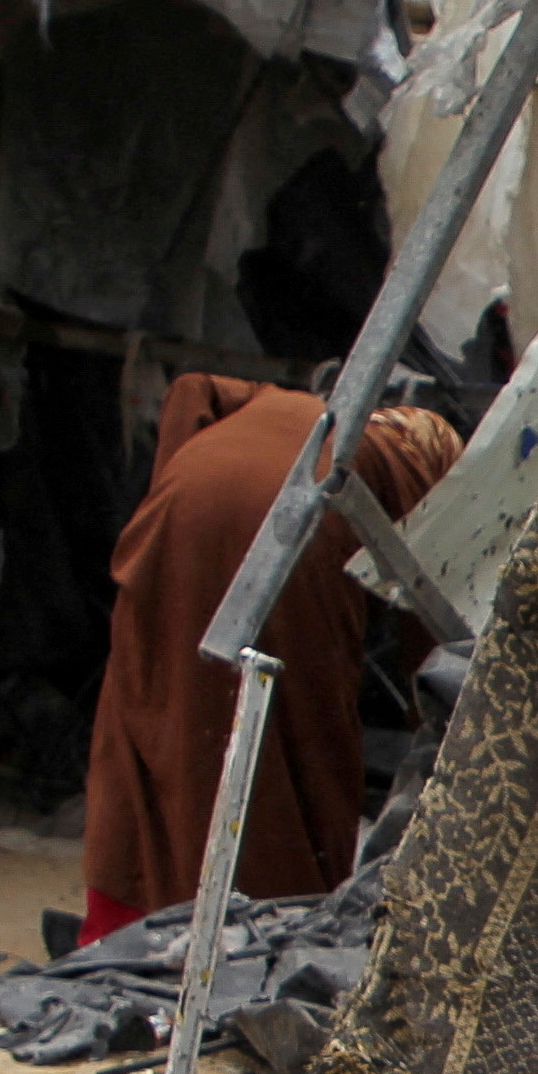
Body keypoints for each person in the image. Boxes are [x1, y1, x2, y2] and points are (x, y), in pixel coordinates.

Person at [78, 370, 463, 940]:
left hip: (176, 510)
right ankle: (275, 927)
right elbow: (435, 644)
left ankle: (117, 927)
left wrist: (172, 478)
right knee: (296, 743)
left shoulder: (278, 404)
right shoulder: (411, 468)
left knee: (150, 710)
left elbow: (190, 388)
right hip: (292, 526)